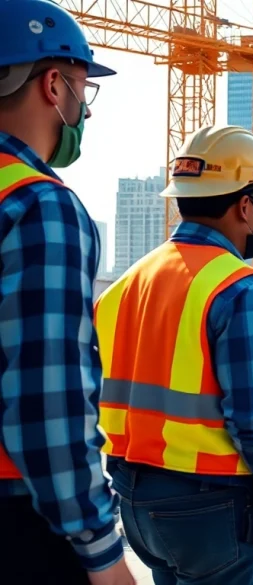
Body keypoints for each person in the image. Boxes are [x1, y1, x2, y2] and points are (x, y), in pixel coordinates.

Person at [95, 125, 253, 584]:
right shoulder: (243, 287)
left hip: (133, 498)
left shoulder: (125, 285)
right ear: (244, 205)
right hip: (212, 504)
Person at [0, 1, 136, 583]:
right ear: (53, 85)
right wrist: (101, 549)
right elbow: (48, 405)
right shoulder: (40, 206)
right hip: (20, 517)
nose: (83, 108)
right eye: (84, 89)